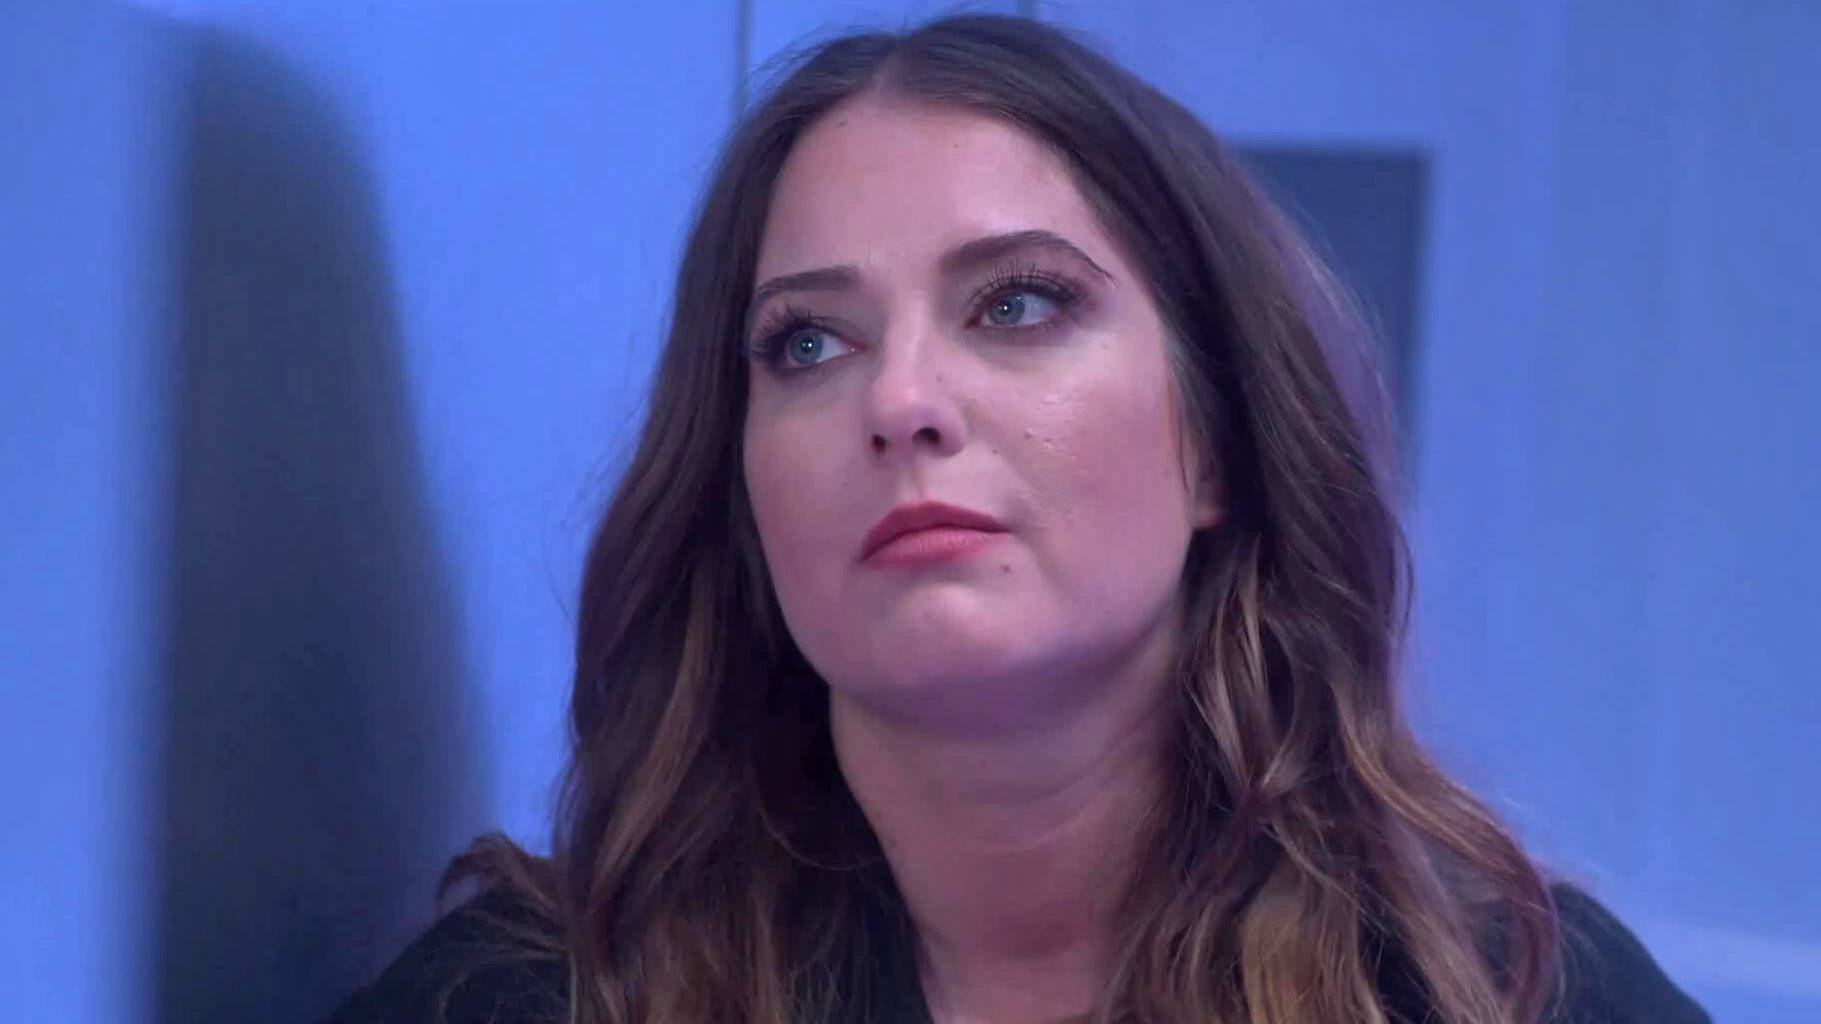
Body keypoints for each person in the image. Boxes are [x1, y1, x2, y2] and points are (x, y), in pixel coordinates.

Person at [324, 13, 1709, 1024]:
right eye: (807, 343)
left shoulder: (1508, 990)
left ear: (1216, 442)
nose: (900, 400)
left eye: (1019, 304)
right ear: (741, 497)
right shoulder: (534, 995)